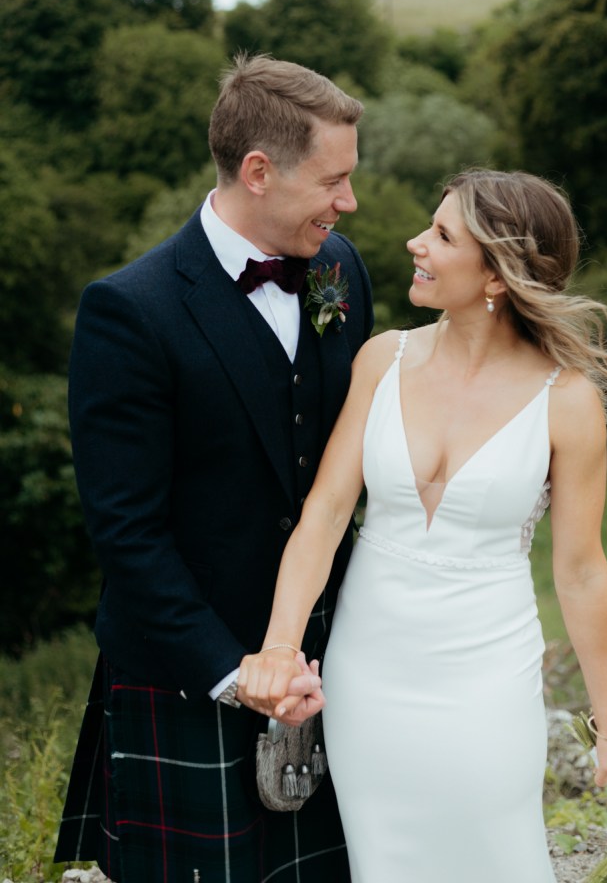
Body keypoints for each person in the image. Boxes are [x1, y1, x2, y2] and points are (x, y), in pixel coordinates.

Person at [238, 169, 607, 883]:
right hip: (367, 674)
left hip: (486, 675)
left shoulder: (565, 402)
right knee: (384, 862)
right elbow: (322, 515)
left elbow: (579, 569)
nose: (416, 243)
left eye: (441, 235)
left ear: (496, 275)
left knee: (495, 856)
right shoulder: (383, 359)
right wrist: (281, 648)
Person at [54, 55, 373, 882]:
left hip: (330, 663)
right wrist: (235, 675)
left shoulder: (340, 270)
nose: (349, 203)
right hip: (191, 674)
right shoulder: (131, 310)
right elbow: (126, 532)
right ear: (258, 172)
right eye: (332, 181)